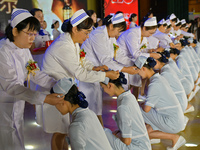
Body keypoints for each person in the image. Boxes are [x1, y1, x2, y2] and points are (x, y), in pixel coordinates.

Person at [36, 9, 119, 150]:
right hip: (53, 90)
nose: (87, 37)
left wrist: (95, 68)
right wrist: (105, 75)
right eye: (86, 33)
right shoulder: (64, 45)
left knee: (62, 130)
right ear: (75, 29)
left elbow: (82, 60)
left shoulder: (72, 42)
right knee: (59, 131)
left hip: (63, 90)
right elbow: (80, 73)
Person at [0, 8, 64, 150]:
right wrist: (45, 99)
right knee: (6, 141)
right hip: (3, 105)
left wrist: (56, 85)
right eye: (29, 34)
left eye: (34, 34)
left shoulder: (24, 50)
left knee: (17, 138)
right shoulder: (2, 51)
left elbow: (35, 73)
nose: (32, 38)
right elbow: (11, 87)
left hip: (18, 104)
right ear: (15, 31)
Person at [79, 13, 139, 125]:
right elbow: (106, 60)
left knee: (96, 106)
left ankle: (98, 133)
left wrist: (132, 64)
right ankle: (95, 134)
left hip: (99, 72)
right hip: (89, 71)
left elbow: (118, 54)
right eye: (118, 31)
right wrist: (126, 69)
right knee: (89, 107)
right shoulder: (99, 35)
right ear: (111, 26)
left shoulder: (110, 36)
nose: (118, 34)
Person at [135, 56, 186, 150]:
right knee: (147, 134)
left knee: (136, 108)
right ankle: (153, 133)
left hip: (172, 122)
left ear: (143, 69)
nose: (137, 73)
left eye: (137, 70)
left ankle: (175, 137)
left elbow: (146, 109)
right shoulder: (157, 78)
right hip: (174, 119)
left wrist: (140, 105)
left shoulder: (155, 84)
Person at [51, 77, 113, 150]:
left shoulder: (76, 125)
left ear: (62, 102)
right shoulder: (89, 113)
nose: (55, 107)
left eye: (55, 103)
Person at [101, 73, 151, 150]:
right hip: (144, 145)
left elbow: (127, 141)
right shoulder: (129, 96)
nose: (103, 90)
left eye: (102, 87)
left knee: (103, 133)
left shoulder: (123, 107)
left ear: (109, 85)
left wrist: (116, 135)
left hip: (136, 147)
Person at [117, 16, 161, 98]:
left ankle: (135, 106)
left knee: (136, 83)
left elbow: (141, 50)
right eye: (150, 33)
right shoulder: (132, 34)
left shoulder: (143, 36)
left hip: (133, 61)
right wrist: (151, 55)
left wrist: (149, 51)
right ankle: (126, 107)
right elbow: (135, 53)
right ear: (144, 28)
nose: (150, 35)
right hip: (122, 62)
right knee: (125, 89)